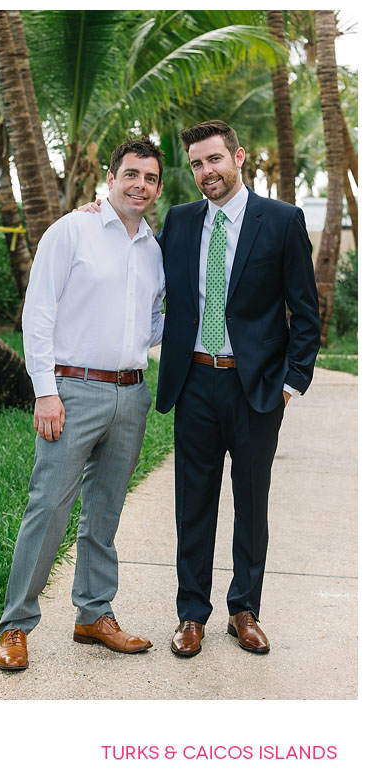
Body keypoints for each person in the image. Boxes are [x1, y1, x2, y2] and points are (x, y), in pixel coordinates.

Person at [0, 138, 166, 671]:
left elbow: (156, 318)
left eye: (150, 178)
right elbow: (38, 312)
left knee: (106, 512)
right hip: (73, 391)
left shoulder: (154, 249)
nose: (140, 185)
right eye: (131, 174)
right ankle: (15, 625)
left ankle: (94, 614)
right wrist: (45, 389)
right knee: (49, 508)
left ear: (158, 189)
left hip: (132, 392)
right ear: (110, 178)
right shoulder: (72, 230)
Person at [155, 121, 319, 657]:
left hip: (257, 390)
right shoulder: (178, 223)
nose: (207, 173)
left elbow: (306, 313)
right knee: (193, 504)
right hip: (195, 381)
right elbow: (139, 263)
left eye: (215, 160)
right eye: (197, 164)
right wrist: (98, 217)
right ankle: (191, 614)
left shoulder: (282, 220)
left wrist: (290, 385)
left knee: (252, 503)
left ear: (239, 157)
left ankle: (244, 610)